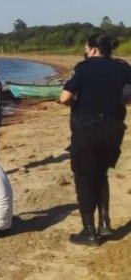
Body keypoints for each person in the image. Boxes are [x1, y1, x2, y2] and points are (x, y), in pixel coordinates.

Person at [58, 32, 131, 246]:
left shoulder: (84, 67)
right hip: (113, 129)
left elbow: (64, 98)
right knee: (102, 174)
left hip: (87, 129)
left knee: (84, 178)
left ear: (92, 49)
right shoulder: (122, 67)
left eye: (85, 47)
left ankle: (89, 231)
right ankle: (105, 224)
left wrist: (76, 103)